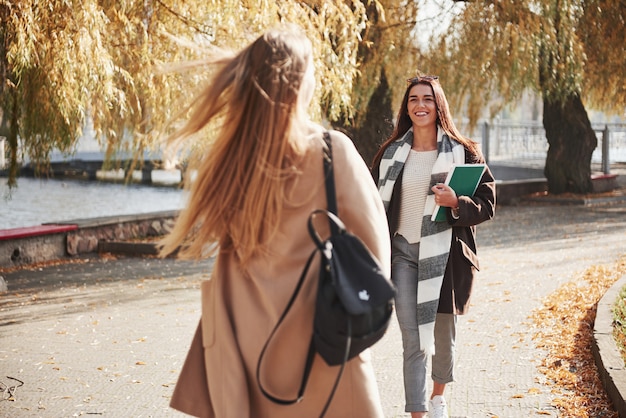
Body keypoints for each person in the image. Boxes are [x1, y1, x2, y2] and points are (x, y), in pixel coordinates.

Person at [158, 25, 391, 418]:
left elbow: (227, 270)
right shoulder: (333, 153)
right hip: (326, 363)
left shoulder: (231, 167)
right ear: (300, 84)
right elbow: (375, 265)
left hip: (251, 368)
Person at [371, 75, 496, 418]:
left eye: (427, 98)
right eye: (413, 99)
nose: (420, 105)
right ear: (406, 106)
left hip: (446, 256)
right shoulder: (390, 153)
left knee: (442, 338)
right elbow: (369, 203)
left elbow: (487, 203)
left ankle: (438, 396)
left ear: (438, 105)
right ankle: (417, 413)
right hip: (402, 255)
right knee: (413, 341)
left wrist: (457, 202)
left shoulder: (464, 151)